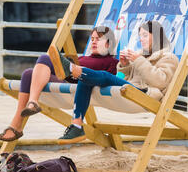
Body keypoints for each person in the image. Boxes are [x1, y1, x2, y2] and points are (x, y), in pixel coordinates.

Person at [50, 20, 179, 144]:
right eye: (140, 36)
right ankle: (77, 125)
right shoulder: (141, 55)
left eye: (145, 35)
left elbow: (160, 81)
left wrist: (138, 60)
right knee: (85, 80)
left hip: (147, 95)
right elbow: (125, 79)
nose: (141, 39)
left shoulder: (168, 57)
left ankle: (71, 69)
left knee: (105, 76)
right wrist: (124, 65)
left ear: (156, 36)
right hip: (131, 90)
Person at [0, 26, 118, 142]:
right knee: (28, 73)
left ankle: (30, 106)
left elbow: (111, 79)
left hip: (75, 88)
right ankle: (19, 123)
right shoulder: (82, 59)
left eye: (99, 39)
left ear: (109, 43)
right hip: (64, 82)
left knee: (45, 58)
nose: (94, 42)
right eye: (92, 39)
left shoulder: (112, 61)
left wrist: (125, 64)